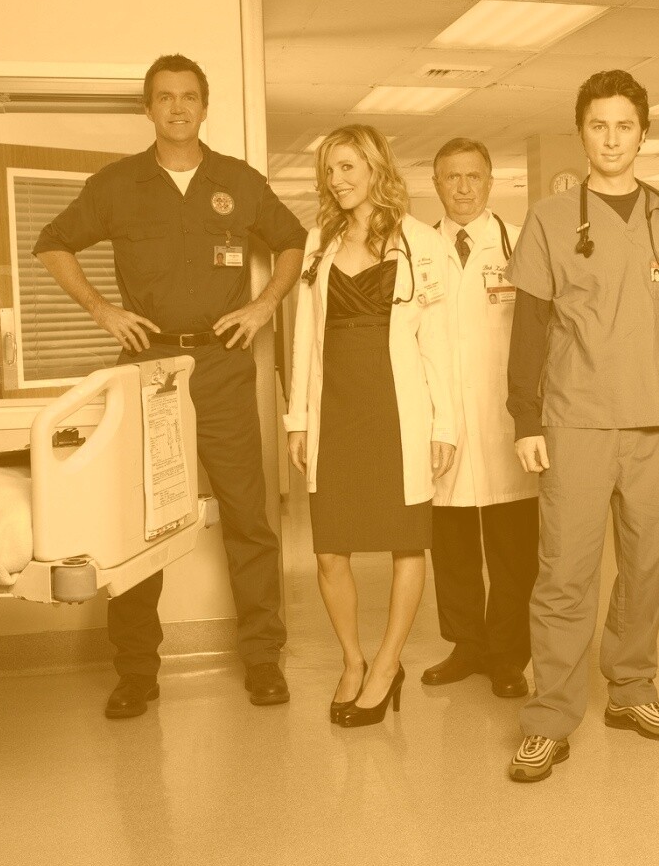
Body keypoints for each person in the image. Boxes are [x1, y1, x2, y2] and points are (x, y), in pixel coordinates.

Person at [35, 54, 304, 719]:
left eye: (189, 96)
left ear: (204, 107)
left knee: (248, 516)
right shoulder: (117, 185)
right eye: (165, 97)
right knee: (140, 523)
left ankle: (263, 658)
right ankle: (135, 671)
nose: (178, 107)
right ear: (148, 109)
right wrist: (103, 310)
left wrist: (264, 304)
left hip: (223, 366)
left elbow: (292, 240)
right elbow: (53, 243)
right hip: (147, 370)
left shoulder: (238, 181)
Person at [503, 69, 659, 782]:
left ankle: (632, 688)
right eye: (599, 126)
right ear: (581, 133)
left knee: (647, 567)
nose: (612, 139)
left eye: (625, 126)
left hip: (656, 420)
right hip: (577, 420)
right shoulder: (552, 219)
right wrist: (526, 416)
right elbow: (530, 326)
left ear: (644, 133)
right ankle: (549, 717)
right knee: (566, 573)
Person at [284, 124, 455, 727]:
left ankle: (386, 664)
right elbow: (305, 338)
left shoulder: (419, 242)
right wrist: (298, 419)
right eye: (330, 170)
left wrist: (444, 425)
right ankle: (352, 660)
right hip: (336, 409)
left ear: (376, 168)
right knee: (330, 548)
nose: (337, 180)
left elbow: (438, 343)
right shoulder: (318, 244)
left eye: (348, 167)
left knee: (407, 541)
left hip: (397, 409)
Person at [422, 137, 539, 700]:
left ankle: (508, 656)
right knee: (452, 547)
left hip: (505, 420)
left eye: (473, 176)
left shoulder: (521, 244)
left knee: (514, 550)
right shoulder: (416, 249)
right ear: (436, 184)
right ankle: (466, 645)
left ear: (491, 182)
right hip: (441, 420)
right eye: (452, 177)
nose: (463, 187)